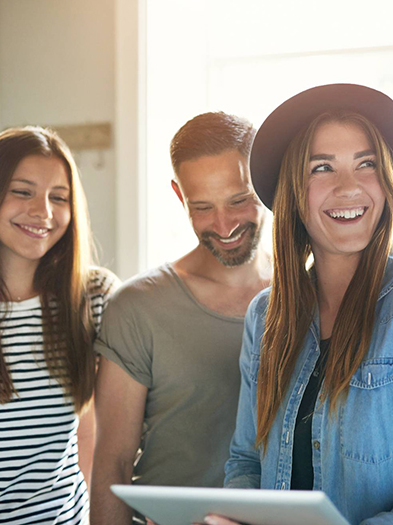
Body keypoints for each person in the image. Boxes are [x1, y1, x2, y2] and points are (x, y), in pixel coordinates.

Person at [207, 84, 393, 525]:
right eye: (322, 168)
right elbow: (247, 463)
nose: (349, 187)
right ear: (293, 193)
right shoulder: (265, 316)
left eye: (367, 164)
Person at [90, 112, 271, 524]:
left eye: (238, 200)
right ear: (179, 196)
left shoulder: (308, 295)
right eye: (202, 207)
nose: (223, 225)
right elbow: (112, 464)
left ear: (265, 180)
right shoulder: (136, 307)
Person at [0, 126, 118, 524]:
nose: (43, 211)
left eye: (58, 198)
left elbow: (95, 432)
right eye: (22, 191)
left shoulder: (94, 296)